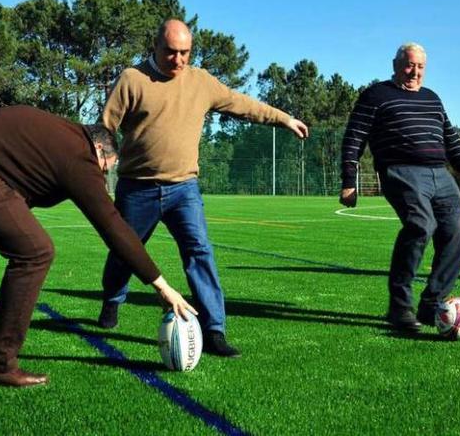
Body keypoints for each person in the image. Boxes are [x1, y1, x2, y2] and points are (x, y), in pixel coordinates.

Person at [0, 105, 196, 387]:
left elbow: (17, 186)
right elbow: (113, 226)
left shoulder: (56, 135)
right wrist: (161, 285)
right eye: (105, 169)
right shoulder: (78, 154)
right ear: (100, 150)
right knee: (35, 251)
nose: (101, 178)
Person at [98, 19, 309, 357]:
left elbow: (242, 103)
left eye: (185, 53)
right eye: (171, 52)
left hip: (184, 188)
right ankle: (112, 299)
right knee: (125, 251)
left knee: (200, 252)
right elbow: (104, 129)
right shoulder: (132, 79)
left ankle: (214, 329)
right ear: (155, 46)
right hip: (137, 188)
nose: (178, 60)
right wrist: (99, 166)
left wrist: (282, 118)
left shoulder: (200, 82)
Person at [339, 42, 460, 333]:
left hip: (440, 174)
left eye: (420, 67)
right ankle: (399, 306)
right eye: (409, 65)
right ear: (395, 65)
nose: (415, 72)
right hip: (401, 171)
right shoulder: (376, 95)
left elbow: (451, 140)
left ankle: (432, 303)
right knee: (421, 225)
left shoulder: (432, 98)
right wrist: (349, 182)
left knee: (455, 234)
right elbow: (354, 138)